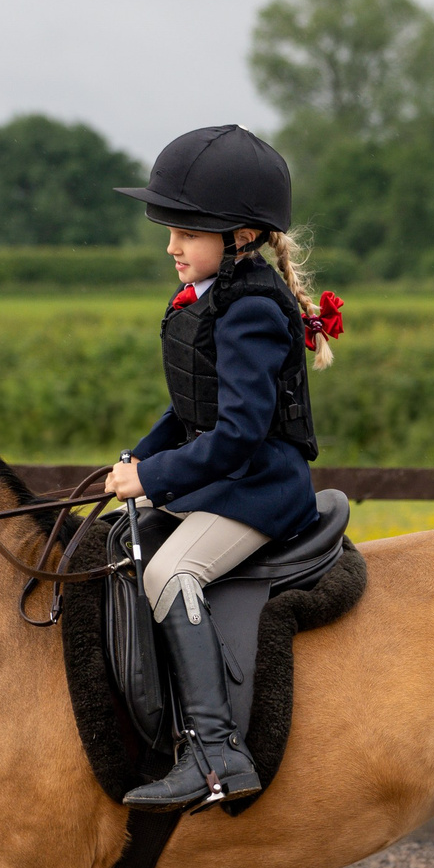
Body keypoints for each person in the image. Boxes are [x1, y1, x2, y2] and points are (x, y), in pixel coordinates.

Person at [104, 124, 344, 813]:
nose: (173, 246)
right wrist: (138, 458)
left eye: (187, 232)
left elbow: (238, 435)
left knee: (170, 571)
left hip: (262, 489)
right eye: (171, 230)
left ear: (239, 236)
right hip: (222, 478)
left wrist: (154, 479)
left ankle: (215, 754)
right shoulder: (210, 298)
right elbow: (190, 414)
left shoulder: (250, 311)